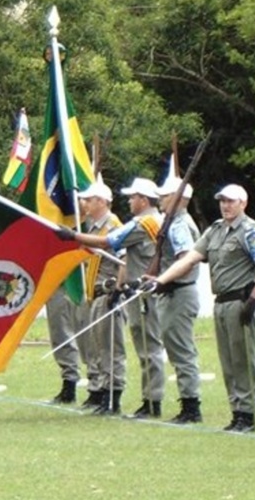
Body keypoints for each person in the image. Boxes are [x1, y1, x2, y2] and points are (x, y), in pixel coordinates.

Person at [151, 184, 255, 432]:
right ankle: (237, 411)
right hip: (221, 302)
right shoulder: (216, 230)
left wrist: (253, 299)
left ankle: (247, 413)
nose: (225, 205)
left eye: (231, 201)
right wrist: (161, 279)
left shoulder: (249, 231)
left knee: (243, 360)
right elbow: (190, 258)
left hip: (241, 300)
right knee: (228, 361)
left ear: (243, 203)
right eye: (222, 201)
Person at [75, 178, 166, 419]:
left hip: (141, 290)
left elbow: (110, 243)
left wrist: (73, 237)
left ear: (143, 199)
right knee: (137, 346)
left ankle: (150, 400)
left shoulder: (146, 222)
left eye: (132, 197)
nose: (129, 201)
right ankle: (141, 399)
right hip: (131, 291)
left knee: (147, 347)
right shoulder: (143, 221)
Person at [70, 182, 127, 415]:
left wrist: (119, 290)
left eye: (89, 199)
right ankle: (102, 391)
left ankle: (113, 394)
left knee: (111, 348)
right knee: (98, 347)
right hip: (95, 293)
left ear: (102, 201)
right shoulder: (93, 228)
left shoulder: (113, 226)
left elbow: (125, 259)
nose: (84, 203)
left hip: (108, 292)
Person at [155, 176, 204, 423]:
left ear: (180, 198)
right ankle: (188, 402)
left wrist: (161, 279)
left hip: (179, 291)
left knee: (182, 350)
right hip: (174, 291)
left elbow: (185, 259)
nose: (161, 200)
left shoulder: (179, 224)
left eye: (165, 195)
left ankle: (191, 405)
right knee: (176, 349)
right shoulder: (174, 222)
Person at [45, 286, 84, 404]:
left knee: (64, 331)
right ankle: (69, 384)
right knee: (59, 331)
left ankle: (98, 389)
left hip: (71, 282)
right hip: (53, 281)